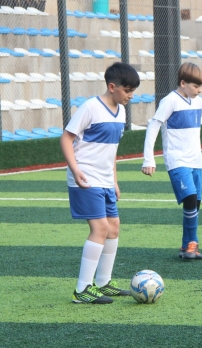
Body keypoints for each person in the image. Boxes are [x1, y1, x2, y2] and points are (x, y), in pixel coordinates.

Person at [61, 62, 140, 304]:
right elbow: (66, 138)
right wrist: (75, 171)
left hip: (105, 180)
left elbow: (111, 151)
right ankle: (82, 290)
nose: (130, 96)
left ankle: (103, 283)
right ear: (112, 86)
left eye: (132, 91)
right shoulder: (91, 107)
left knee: (114, 227)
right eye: (127, 90)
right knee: (100, 229)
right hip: (85, 177)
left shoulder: (122, 112)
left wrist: (114, 181)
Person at [141, 62, 202, 259]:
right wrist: (148, 159)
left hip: (196, 161)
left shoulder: (195, 101)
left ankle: (186, 246)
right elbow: (154, 126)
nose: (200, 90)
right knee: (189, 198)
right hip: (177, 160)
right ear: (183, 83)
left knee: (195, 203)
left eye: (201, 86)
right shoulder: (170, 101)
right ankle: (192, 244)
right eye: (196, 86)